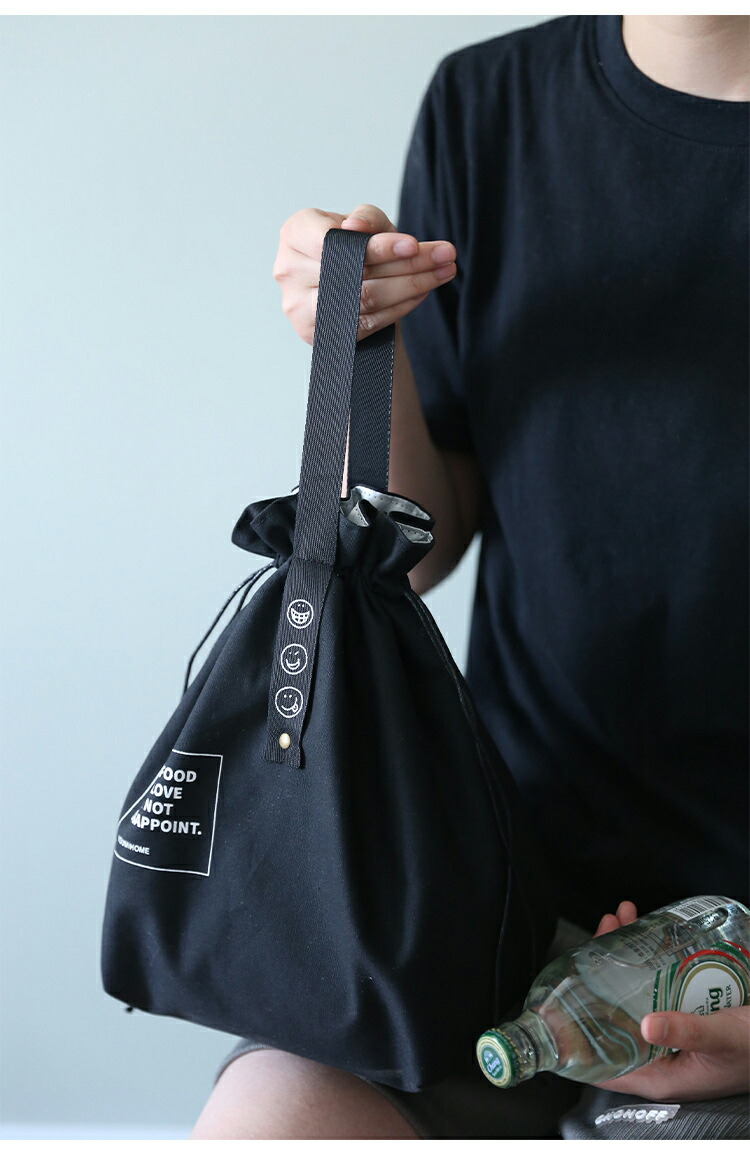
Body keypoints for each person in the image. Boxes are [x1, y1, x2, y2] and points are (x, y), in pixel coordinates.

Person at [190, 14, 749, 1139]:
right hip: (493, 901)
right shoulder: (487, 106)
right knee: (270, 1119)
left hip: (726, 977)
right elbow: (424, 544)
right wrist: (361, 335)